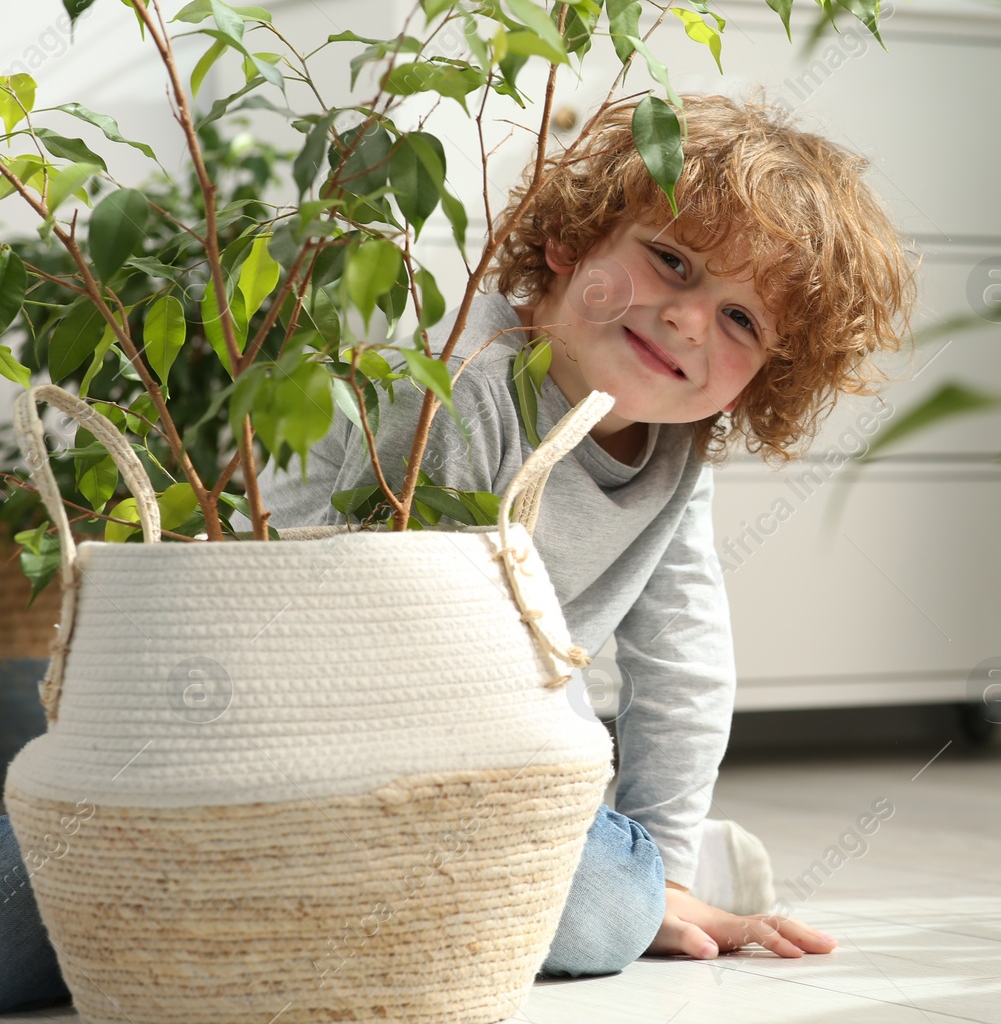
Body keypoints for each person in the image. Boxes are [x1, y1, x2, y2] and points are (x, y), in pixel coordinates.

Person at [0, 89, 920, 1011]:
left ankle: (666, 858)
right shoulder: (466, 386)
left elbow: (684, 662)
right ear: (571, 243)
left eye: (742, 321)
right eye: (671, 261)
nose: (688, 320)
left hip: (448, 777)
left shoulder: (677, 451)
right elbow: (415, 654)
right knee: (36, 927)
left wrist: (666, 862)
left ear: (765, 379)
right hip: (256, 725)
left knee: (610, 908)